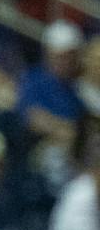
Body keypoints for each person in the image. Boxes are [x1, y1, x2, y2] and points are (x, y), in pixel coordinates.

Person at [19, 21, 87, 183]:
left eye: (70, 55)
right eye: (59, 55)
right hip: (45, 150)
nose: (65, 61)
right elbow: (34, 118)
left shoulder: (80, 82)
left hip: (82, 149)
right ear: (48, 53)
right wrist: (70, 132)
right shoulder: (34, 80)